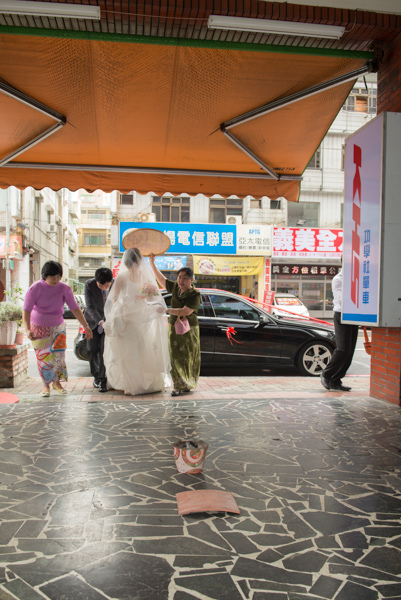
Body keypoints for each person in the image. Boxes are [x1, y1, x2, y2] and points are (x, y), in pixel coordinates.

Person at [103, 248, 170, 396]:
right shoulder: (122, 277)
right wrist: (118, 313)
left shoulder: (144, 277)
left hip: (140, 318)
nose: (134, 265)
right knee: (127, 352)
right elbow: (114, 298)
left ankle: (139, 382)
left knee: (140, 350)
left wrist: (146, 297)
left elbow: (152, 298)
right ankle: (129, 384)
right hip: (126, 318)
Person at [23, 260, 93, 397]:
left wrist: (86, 325)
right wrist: (27, 329)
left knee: (59, 356)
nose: (56, 280)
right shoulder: (35, 288)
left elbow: (75, 308)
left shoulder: (64, 288)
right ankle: (45, 386)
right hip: (39, 327)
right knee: (43, 358)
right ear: (45, 275)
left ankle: (57, 383)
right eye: (53, 277)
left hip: (58, 327)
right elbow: (26, 310)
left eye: (58, 277)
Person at [149, 255, 201, 397]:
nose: (181, 280)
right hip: (174, 327)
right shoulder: (175, 288)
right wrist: (152, 264)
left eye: (184, 278)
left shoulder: (195, 294)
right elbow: (161, 280)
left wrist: (166, 310)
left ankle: (186, 384)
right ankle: (179, 385)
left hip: (189, 329)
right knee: (175, 356)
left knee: (188, 356)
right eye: (179, 277)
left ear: (191, 279)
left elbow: (186, 311)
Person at [320, 269, 359, 391]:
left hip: (354, 315)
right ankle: (326, 374)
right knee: (343, 349)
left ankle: (336, 380)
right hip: (342, 315)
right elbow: (342, 300)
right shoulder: (338, 279)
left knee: (350, 351)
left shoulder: (357, 278)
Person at [84, 267, 113, 393]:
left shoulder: (115, 284)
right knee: (91, 349)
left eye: (106, 285)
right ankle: (96, 376)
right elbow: (90, 307)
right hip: (93, 322)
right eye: (100, 285)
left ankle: (102, 380)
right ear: (96, 281)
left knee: (103, 350)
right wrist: (101, 322)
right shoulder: (89, 285)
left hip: (109, 322)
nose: (104, 288)